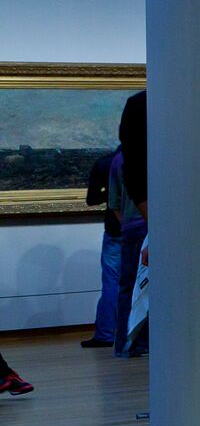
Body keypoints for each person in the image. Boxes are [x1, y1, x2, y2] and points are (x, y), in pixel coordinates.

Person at [115, 92, 149, 358]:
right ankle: (132, 343)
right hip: (142, 226)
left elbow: (115, 201)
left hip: (133, 226)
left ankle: (125, 343)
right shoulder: (142, 104)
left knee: (128, 285)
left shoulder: (115, 162)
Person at [81, 148, 121, 348]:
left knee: (112, 282)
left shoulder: (105, 163)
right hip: (143, 228)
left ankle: (106, 333)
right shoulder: (150, 159)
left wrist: (110, 193)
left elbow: (92, 199)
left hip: (115, 229)